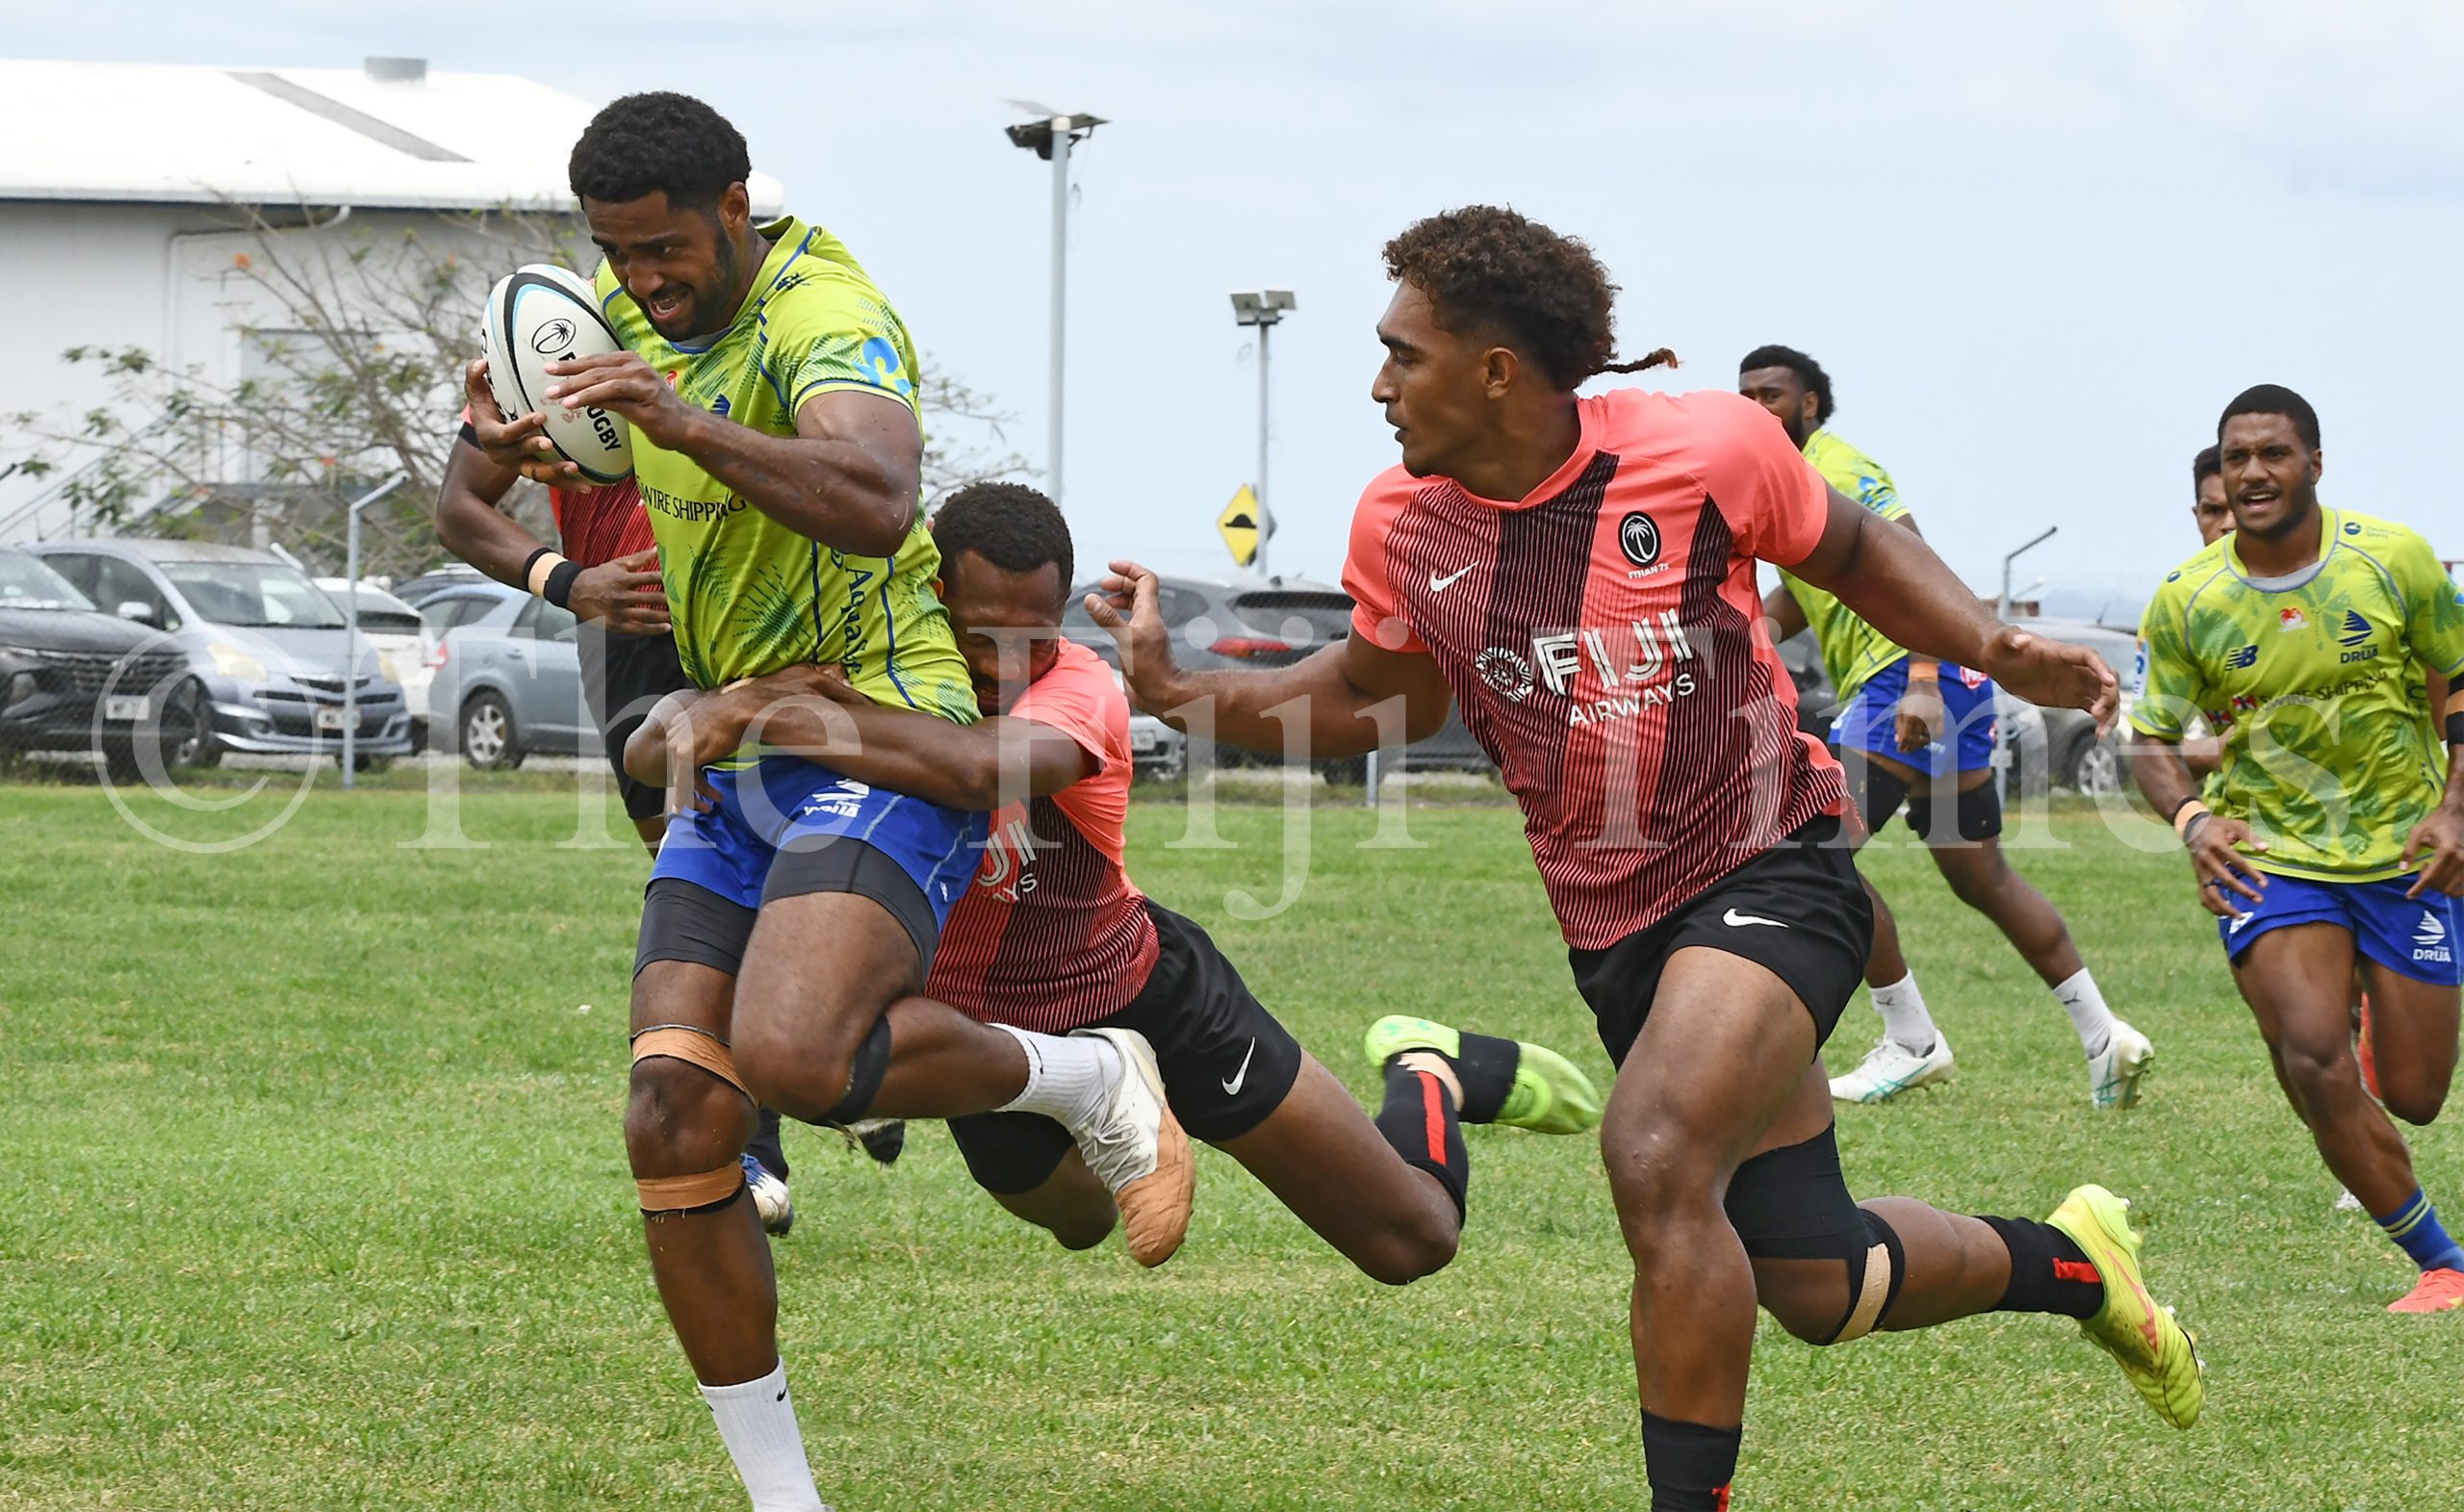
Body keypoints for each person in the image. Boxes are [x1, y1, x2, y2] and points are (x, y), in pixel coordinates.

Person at [1091, 206, 2201, 1510]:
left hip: (1775, 863)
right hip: (1618, 936)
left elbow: (1852, 547)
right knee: (1821, 1280)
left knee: (1657, 1151)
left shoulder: (1703, 447)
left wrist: (1991, 645)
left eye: (1402, 353)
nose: (1379, 384)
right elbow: (1375, 692)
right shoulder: (1403, 524)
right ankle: (2075, 1264)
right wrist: (1179, 691)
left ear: (1494, 370)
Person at [464, 92, 1193, 1512]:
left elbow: (874, 495)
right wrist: (524, 450)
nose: (645, 279)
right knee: (675, 1110)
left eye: (666, 248)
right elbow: (472, 489)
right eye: (618, 252)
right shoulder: (623, 315)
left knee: (795, 1052)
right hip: (740, 737)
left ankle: (1089, 1074)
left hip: (873, 722)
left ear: (735, 207)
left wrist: (676, 416)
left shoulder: (825, 314)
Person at [628, 480, 1604, 1283]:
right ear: (929, 600)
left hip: (1143, 993)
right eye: (978, 636)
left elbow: (978, 769)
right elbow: (651, 753)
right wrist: (713, 709)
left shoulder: (1078, 689)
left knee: (1412, 1240)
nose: (1006, 665)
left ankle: (1427, 1066)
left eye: (1032, 638)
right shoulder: (870, 677)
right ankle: (1081, 1093)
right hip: (987, 1045)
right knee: (1082, 1221)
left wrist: (769, 714)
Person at [432, 429, 863, 1237]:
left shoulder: (788, 351)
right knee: (700, 880)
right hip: (632, 622)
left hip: (764, 611)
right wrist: (568, 581)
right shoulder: (553, 359)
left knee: (811, 859)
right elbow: (459, 505)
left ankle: (840, 1063)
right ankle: (769, 1133)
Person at [1740, 346, 2152, 1110]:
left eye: (1772, 394)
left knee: (1810, 851)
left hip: (1908, 679)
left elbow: (1912, 559)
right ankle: (2105, 1035)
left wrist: (1923, 679)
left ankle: (1910, 1038)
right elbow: (1807, 587)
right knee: (1981, 877)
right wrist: (1757, 626)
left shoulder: (1836, 464)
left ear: (1810, 404)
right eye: (1746, 395)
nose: (1756, 408)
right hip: (1947, 684)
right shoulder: (1781, 479)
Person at [2130, 383, 2464, 1314]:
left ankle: (2370, 988)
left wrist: (2456, 806)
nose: (2253, 472)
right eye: (2237, 457)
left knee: (2418, 1092)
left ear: (2315, 462)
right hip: (2272, 853)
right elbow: (2149, 738)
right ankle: (2444, 1263)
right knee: (2313, 1056)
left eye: (2273, 453)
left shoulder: (2393, 559)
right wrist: (2194, 821)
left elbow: (2459, 672)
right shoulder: (2188, 597)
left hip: (2405, 852)